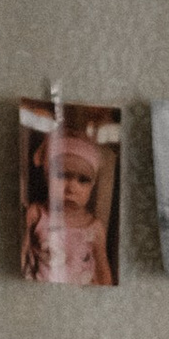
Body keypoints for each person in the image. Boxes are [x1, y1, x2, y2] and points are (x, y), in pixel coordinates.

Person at [24, 122, 113, 287]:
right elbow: (20, 258)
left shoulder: (94, 228)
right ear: (47, 176)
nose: (71, 188)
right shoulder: (37, 214)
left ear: (92, 186)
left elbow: (103, 272)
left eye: (83, 180)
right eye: (62, 175)